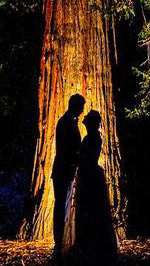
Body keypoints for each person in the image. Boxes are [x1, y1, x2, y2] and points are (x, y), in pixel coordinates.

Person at [65, 109, 118, 264]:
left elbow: (88, 157)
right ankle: (88, 244)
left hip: (90, 175)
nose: (85, 123)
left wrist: (77, 156)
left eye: (88, 121)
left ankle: (92, 245)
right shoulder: (91, 137)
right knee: (87, 209)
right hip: (89, 174)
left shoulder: (94, 138)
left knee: (91, 208)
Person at [52, 93, 85, 261]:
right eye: (81, 106)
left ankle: (64, 242)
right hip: (62, 171)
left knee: (65, 207)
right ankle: (58, 244)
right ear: (76, 106)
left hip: (66, 170)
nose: (83, 110)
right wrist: (76, 159)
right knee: (60, 207)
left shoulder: (70, 122)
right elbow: (65, 149)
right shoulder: (65, 123)